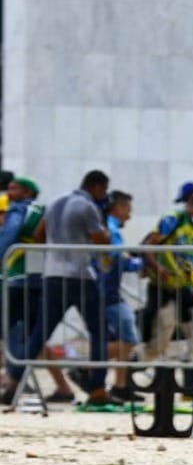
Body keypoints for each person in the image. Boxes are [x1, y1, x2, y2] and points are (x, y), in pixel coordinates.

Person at [2, 170, 114, 406]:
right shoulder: (86, 206)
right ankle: (97, 389)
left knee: (39, 335)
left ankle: (14, 380)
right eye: (103, 191)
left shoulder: (55, 202)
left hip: (52, 274)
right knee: (99, 332)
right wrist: (104, 229)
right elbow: (101, 240)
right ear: (97, 187)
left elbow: (38, 234)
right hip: (80, 276)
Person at [0, 176, 74, 403]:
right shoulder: (44, 210)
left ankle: (13, 383)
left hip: (19, 278)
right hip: (39, 278)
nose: (9, 192)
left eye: (14, 188)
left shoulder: (21, 209)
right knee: (34, 338)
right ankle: (62, 388)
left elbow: (9, 236)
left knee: (14, 331)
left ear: (27, 192)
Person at [142, 189, 193, 398]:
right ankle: (131, 371)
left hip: (183, 291)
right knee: (158, 342)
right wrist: (157, 267)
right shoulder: (172, 220)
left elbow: (187, 258)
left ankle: (190, 391)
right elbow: (149, 246)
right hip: (163, 290)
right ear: (191, 206)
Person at [96, 190, 143, 402]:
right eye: (127, 209)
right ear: (117, 208)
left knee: (121, 338)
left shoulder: (107, 225)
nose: (129, 215)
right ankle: (88, 363)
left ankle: (121, 385)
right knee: (129, 338)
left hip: (107, 291)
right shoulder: (111, 227)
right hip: (108, 293)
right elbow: (117, 257)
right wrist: (141, 263)